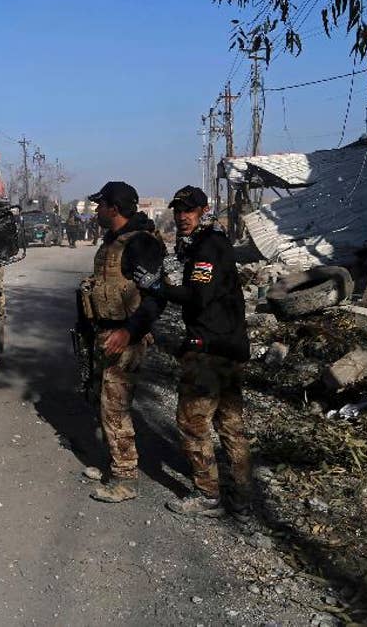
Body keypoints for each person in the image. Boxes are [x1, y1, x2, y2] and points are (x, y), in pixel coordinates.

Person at [132, 186, 251, 520]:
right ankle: (242, 499)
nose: (182, 216)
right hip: (229, 345)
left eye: (189, 210)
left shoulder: (208, 247)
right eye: (178, 211)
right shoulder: (208, 241)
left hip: (209, 350)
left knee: (192, 422)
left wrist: (160, 288)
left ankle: (209, 496)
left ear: (204, 210)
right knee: (231, 423)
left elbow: (197, 296)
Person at [80, 181, 167, 503]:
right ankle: (113, 463)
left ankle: (125, 477)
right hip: (105, 332)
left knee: (115, 407)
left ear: (113, 209)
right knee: (101, 400)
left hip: (124, 336)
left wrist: (129, 331)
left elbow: (156, 298)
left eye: (100, 205)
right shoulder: (113, 240)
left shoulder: (139, 244)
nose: (97, 210)